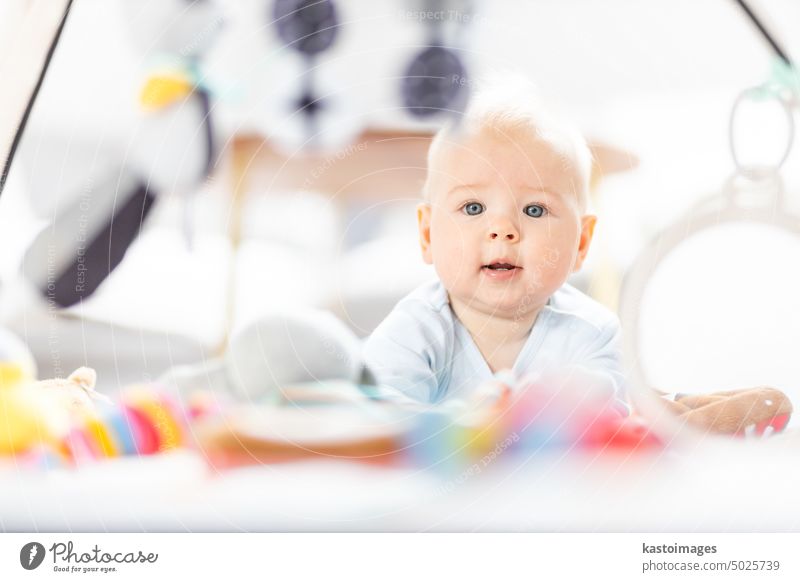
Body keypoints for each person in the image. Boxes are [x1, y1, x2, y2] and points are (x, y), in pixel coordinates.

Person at [363, 72, 628, 413]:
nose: (503, 230)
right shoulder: (414, 330)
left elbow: (606, 420)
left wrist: (531, 408)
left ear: (581, 242)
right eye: (473, 208)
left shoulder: (594, 334)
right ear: (428, 234)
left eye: (535, 209)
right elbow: (380, 417)